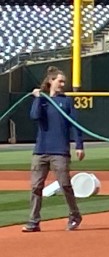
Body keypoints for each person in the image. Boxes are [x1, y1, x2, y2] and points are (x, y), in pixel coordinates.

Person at [24, 67, 85, 232]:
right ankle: (33, 220)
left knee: (65, 184)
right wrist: (37, 98)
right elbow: (35, 116)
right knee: (36, 186)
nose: (62, 84)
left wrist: (79, 145)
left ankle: (74, 215)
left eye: (63, 81)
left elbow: (75, 125)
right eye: (60, 81)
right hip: (41, 150)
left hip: (59, 151)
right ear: (51, 81)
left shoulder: (65, 101)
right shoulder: (42, 100)